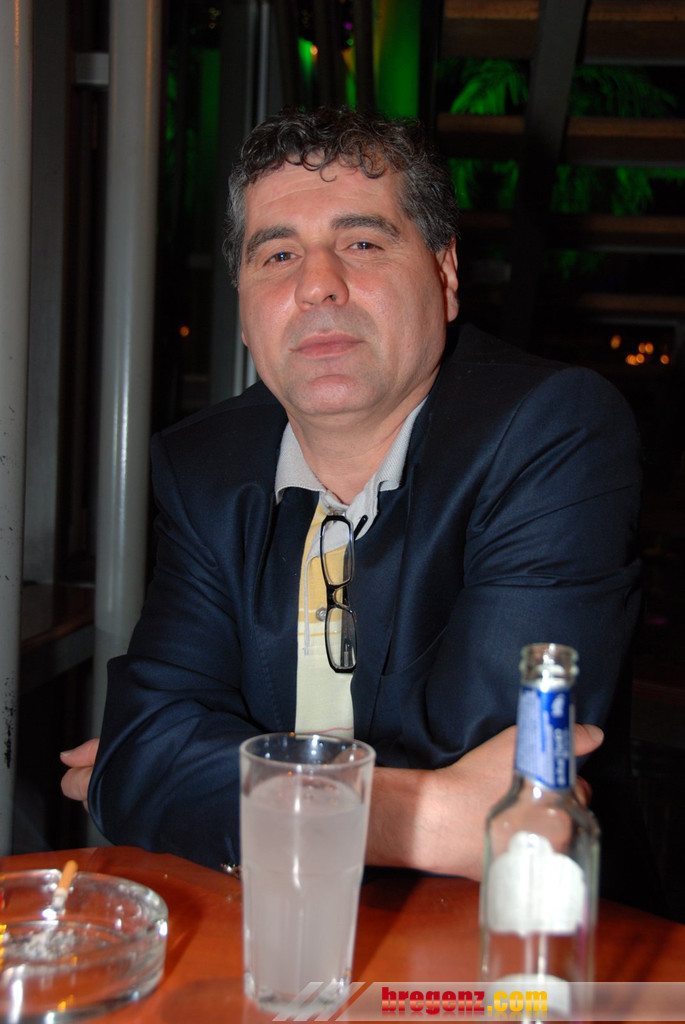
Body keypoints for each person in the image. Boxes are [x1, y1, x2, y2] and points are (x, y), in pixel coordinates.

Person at [62, 106, 646, 901]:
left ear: (444, 274)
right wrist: (423, 816)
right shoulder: (205, 466)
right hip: (270, 919)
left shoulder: (550, 430)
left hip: (506, 932)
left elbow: (505, 778)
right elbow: (145, 749)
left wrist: (205, 784)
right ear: (243, 306)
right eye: (277, 254)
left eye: (362, 243)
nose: (316, 285)